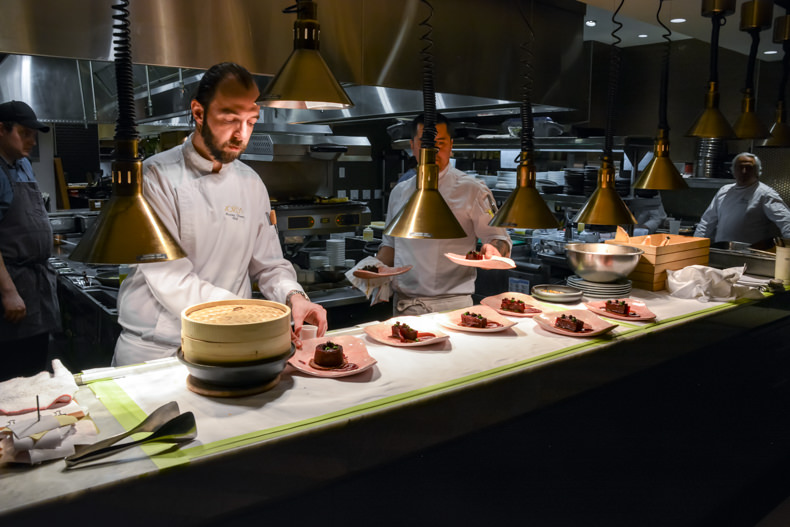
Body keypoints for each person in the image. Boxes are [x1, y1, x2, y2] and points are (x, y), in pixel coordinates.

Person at [114, 62, 327, 366]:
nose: (242, 135)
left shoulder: (251, 182)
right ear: (198, 113)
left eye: (251, 122)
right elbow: (170, 279)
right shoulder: (155, 176)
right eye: (230, 119)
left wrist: (294, 297)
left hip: (231, 345)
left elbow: (268, 265)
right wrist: (249, 313)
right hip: (158, 351)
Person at [376, 113, 512, 315]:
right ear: (412, 145)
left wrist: (494, 250)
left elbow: (499, 238)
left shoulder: (473, 189)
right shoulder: (400, 191)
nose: (433, 150)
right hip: (404, 307)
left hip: (452, 307)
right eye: (425, 143)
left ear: (451, 145)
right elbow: (390, 246)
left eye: (440, 142)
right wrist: (369, 270)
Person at [0, 100, 59, 380]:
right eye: (25, 133)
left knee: (36, 366)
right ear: (1, 129)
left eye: (34, 134)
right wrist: (8, 291)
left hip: (35, 283)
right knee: (14, 373)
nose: (32, 141)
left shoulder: (23, 165)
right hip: (12, 283)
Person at [694, 152, 790, 245]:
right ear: (733, 171)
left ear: (757, 172)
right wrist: (696, 245)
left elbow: (786, 221)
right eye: (740, 167)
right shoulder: (724, 191)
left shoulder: (765, 194)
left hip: (749, 254)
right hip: (722, 250)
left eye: (749, 168)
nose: (744, 171)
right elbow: (707, 222)